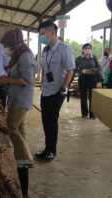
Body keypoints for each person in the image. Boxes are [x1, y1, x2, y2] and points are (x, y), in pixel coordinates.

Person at [0, 29, 37, 198]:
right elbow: (14, 76)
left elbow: (27, 80)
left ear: (14, 43)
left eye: (6, 46)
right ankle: (21, 159)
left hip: (22, 99)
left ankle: (25, 159)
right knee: (19, 128)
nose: (5, 49)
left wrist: (6, 81)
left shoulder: (26, 56)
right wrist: (4, 80)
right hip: (15, 98)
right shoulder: (17, 56)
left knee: (11, 127)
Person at [35, 20, 75, 161]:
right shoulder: (45, 50)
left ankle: (52, 150)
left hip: (57, 91)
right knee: (45, 120)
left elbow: (70, 70)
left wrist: (63, 88)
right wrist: (42, 85)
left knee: (52, 120)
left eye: (42, 34)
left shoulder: (64, 49)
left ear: (52, 33)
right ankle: (47, 148)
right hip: (46, 90)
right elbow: (45, 70)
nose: (41, 37)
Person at [75, 43, 100, 119]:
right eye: (85, 48)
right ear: (83, 49)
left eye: (89, 48)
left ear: (91, 49)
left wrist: (94, 70)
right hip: (82, 78)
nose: (87, 50)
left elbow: (98, 66)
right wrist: (81, 71)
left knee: (92, 96)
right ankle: (84, 113)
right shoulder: (79, 58)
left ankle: (92, 114)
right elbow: (75, 69)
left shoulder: (94, 57)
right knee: (83, 96)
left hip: (92, 78)